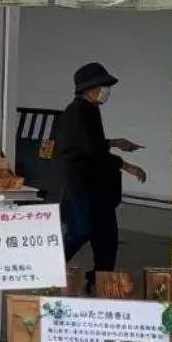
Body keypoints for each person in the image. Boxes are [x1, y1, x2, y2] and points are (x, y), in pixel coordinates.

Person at [56, 61, 146, 286]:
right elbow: (89, 150)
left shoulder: (90, 110)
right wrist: (125, 165)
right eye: (102, 86)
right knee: (80, 230)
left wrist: (115, 142)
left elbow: (93, 144)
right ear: (88, 87)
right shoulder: (76, 112)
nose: (106, 91)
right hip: (83, 184)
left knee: (106, 238)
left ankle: (100, 280)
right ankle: (49, 267)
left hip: (100, 187)